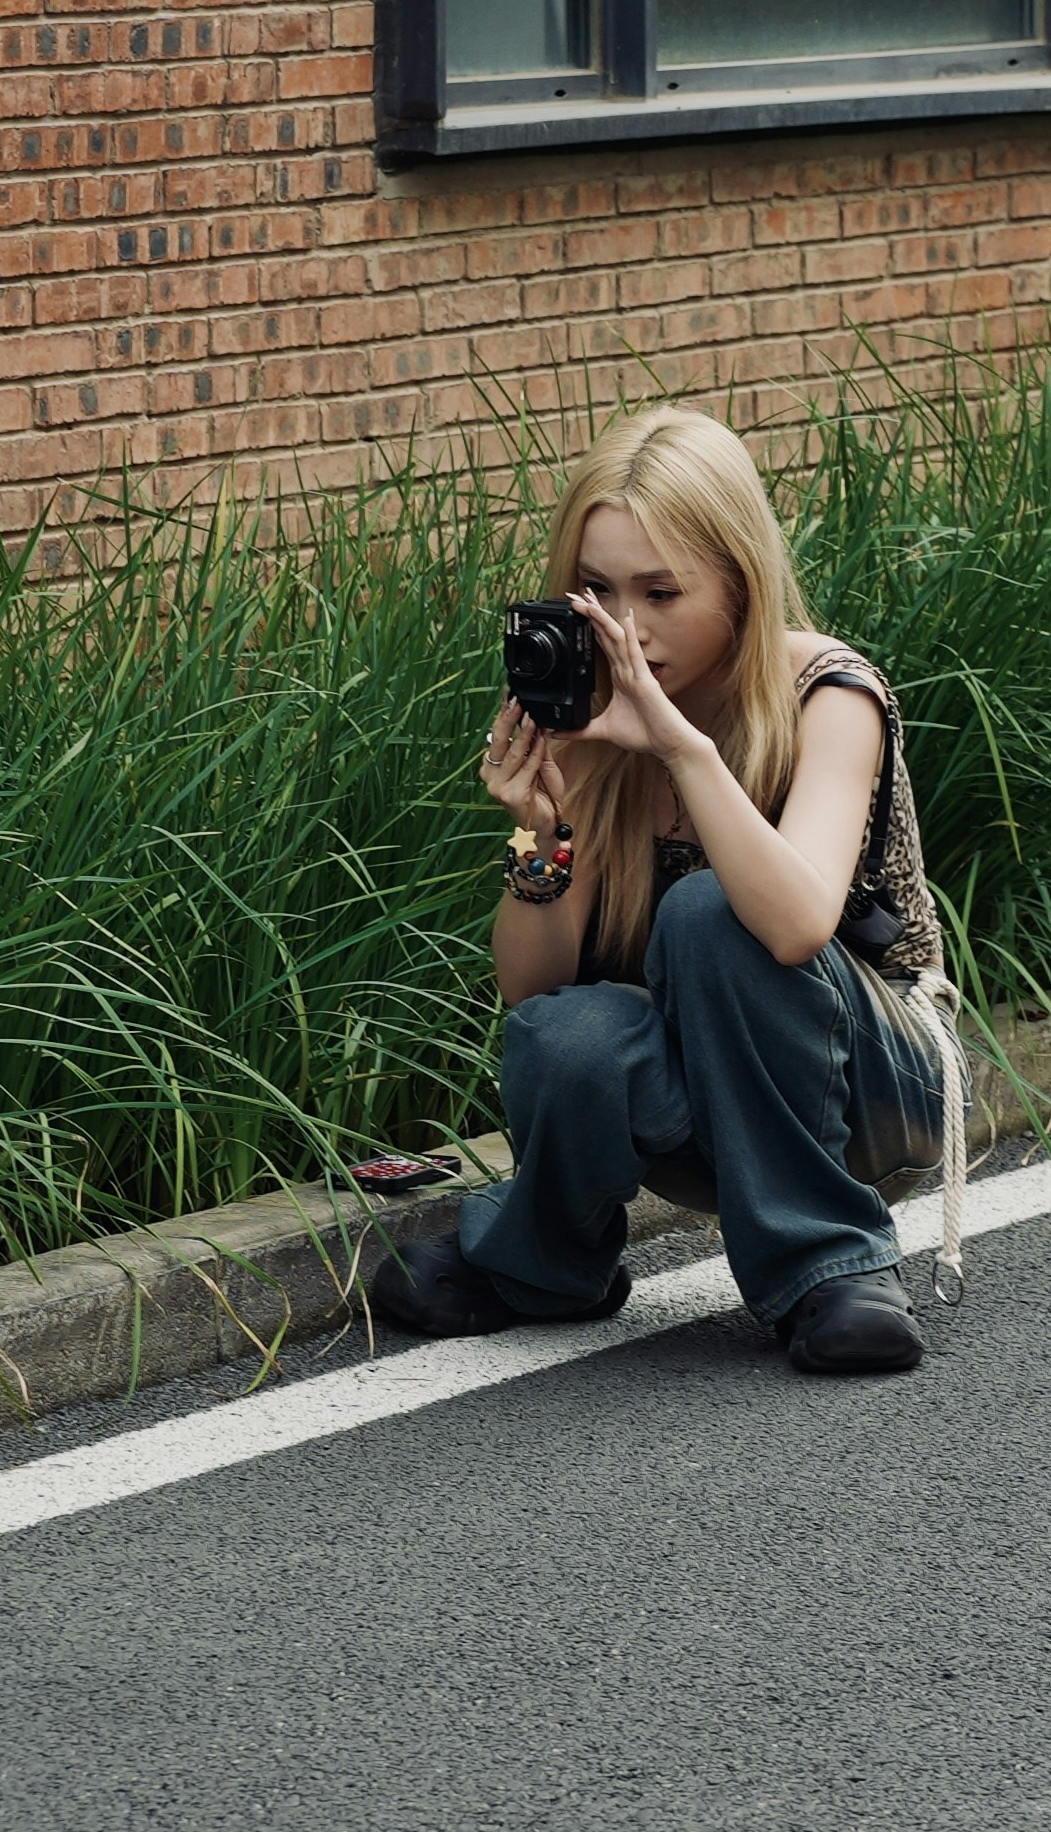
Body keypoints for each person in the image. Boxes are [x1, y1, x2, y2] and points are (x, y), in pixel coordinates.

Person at [362, 407, 958, 1376]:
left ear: (739, 584)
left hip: (873, 1096)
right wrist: (541, 832)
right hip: (710, 1102)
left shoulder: (830, 694)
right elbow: (532, 992)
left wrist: (681, 751)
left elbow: (800, 922)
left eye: (662, 591)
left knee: (711, 909)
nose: (624, 627)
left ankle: (831, 1267)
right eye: (597, 588)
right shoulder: (598, 712)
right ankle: (545, 1265)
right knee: (572, 1033)